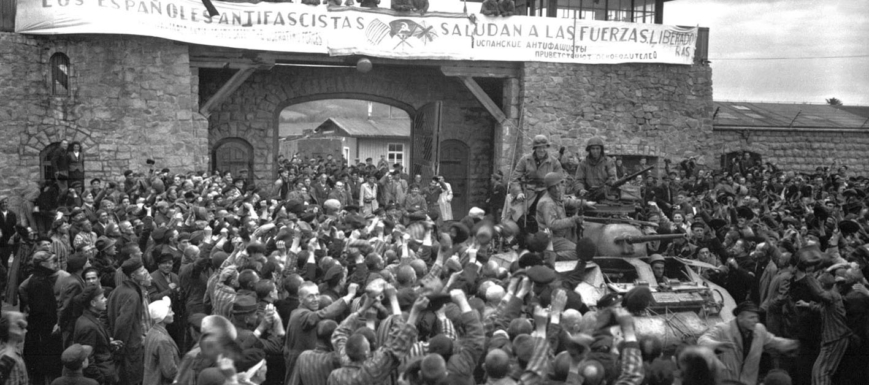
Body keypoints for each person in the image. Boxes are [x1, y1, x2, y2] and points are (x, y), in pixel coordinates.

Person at [698, 301, 798, 384]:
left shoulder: (759, 330)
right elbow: (702, 340)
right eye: (751, 317)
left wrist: (795, 344)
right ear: (740, 318)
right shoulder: (723, 329)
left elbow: (774, 342)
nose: (756, 320)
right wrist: (716, 345)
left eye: (756, 317)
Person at [107, 258, 152, 385]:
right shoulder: (133, 295)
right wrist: (118, 348)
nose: (145, 273)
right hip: (129, 348)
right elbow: (123, 324)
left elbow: (105, 315)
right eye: (142, 271)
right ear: (133, 275)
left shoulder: (117, 290)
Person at [505, 135, 563, 224]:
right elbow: (515, 178)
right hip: (528, 191)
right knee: (517, 213)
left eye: (544, 147)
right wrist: (518, 192)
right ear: (534, 148)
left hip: (547, 190)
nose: (542, 150)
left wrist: (558, 194)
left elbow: (560, 180)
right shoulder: (525, 160)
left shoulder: (554, 162)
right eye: (539, 148)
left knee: (553, 209)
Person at [73, 285, 119, 385]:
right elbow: (88, 359)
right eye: (102, 298)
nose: (106, 300)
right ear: (93, 303)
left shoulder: (91, 319)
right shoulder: (88, 326)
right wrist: (100, 379)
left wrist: (108, 343)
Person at [535, 172, 585, 261]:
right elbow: (552, 224)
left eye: (558, 185)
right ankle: (551, 256)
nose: (557, 189)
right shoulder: (547, 203)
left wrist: (584, 203)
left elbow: (564, 201)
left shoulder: (555, 196)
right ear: (548, 189)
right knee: (579, 252)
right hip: (551, 237)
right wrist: (573, 220)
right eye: (553, 187)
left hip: (560, 235)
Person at [144, 297, 180, 385]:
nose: (173, 313)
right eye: (170, 312)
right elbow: (169, 371)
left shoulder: (151, 332)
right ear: (162, 316)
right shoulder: (162, 340)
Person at [574, 137, 616, 202]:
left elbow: (613, 178)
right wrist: (581, 189)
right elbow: (579, 180)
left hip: (606, 195)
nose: (595, 151)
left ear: (601, 150)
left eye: (597, 148)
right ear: (589, 150)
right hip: (589, 194)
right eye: (593, 149)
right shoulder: (583, 163)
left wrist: (605, 187)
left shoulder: (608, 162)